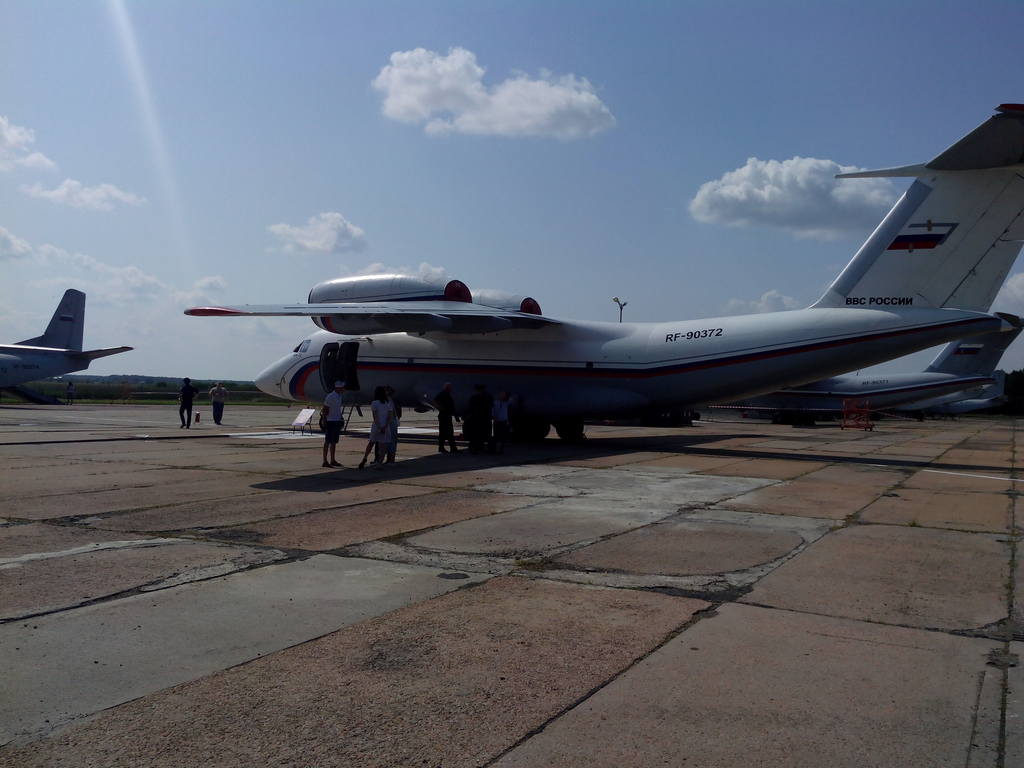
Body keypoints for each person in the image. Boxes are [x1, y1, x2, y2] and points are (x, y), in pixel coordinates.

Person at [358, 386, 392, 469]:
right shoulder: (388, 403)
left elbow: (375, 417)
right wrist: (385, 427)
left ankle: (365, 457)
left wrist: (379, 427)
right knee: (382, 446)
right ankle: (380, 463)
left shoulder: (374, 403)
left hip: (377, 426)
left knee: (371, 443)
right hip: (385, 426)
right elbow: (389, 417)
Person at [321, 380, 345, 467]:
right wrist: (324, 420)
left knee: (334, 442)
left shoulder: (339, 396)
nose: (343, 389)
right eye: (342, 388)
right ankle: (325, 460)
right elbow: (325, 408)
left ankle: (332, 460)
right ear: (338, 388)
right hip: (330, 421)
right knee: (327, 441)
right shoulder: (330, 396)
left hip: (336, 420)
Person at [467, 383, 494, 454]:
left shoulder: (474, 398)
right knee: (487, 434)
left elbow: (470, 408)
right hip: (486, 418)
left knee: (476, 434)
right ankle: (489, 449)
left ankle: (475, 448)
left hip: (476, 419)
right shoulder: (488, 397)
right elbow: (491, 406)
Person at [433, 382, 459, 454]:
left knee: (445, 432)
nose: (451, 389)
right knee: (448, 432)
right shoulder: (443, 394)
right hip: (445, 416)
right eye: (449, 388)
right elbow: (435, 401)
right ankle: (451, 448)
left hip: (446, 415)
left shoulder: (446, 394)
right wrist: (441, 409)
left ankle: (445, 448)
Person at [384, 385, 402, 463]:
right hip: (392, 421)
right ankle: (390, 459)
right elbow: (399, 413)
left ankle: (390, 459)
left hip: (390, 422)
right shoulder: (393, 400)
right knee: (391, 442)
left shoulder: (388, 401)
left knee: (390, 442)